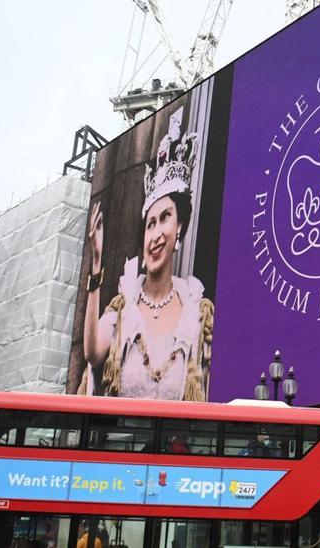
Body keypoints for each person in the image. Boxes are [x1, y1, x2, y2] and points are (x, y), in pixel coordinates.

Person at [84, 108, 215, 401]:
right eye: (150, 224)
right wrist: (96, 266)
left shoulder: (196, 312)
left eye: (165, 218)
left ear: (179, 227)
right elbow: (92, 353)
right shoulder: (124, 305)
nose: (155, 234)